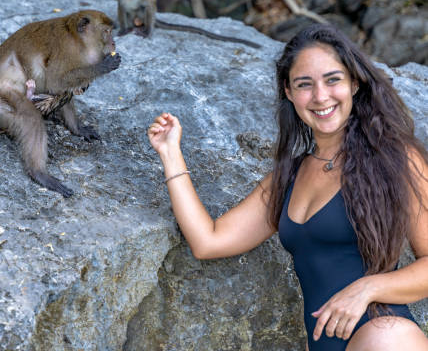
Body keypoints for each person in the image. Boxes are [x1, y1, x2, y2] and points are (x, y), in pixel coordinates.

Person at [147, 23, 428, 350]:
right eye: (304, 84)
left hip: (384, 338)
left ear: (354, 82)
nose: (321, 96)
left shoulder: (395, 160)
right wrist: (170, 155)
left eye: (333, 79)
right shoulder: (289, 177)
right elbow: (208, 241)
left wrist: (367, 289)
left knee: (387, 337)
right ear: (288, 92)